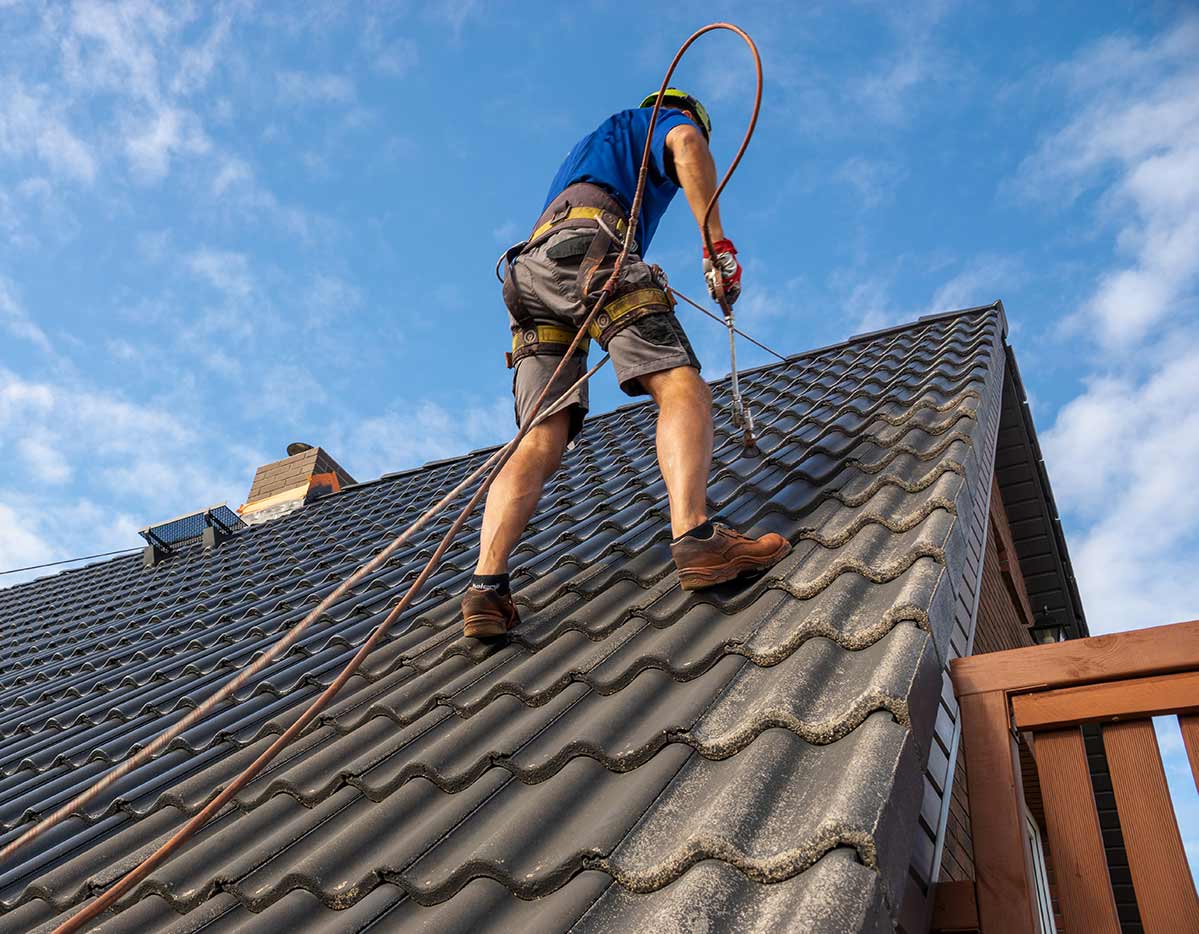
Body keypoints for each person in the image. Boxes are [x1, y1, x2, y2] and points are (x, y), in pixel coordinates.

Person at [462, 89, 790, 638]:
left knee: (539, 436)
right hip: (591, 251)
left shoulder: (591, 149)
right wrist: (717, 248)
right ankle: (695, 535)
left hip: (529, 275)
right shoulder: (664, 122)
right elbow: (684, 143)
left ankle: (486, 589)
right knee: (681, 385)